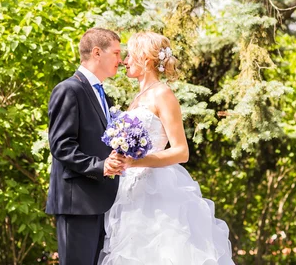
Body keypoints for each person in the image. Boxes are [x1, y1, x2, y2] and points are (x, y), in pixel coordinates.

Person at [98, 32, 234, 265]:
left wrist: (136, 162)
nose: (125, 61)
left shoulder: (163, 94)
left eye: (130, 55)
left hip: (158, 190)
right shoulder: (137, 98)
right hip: (130, 190)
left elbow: (181, 151)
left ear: (146, 60)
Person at [46, 27, 126, 265]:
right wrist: (101, 166)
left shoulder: (102, 94)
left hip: (102, 202)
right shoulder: (69, 89)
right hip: (77, 204)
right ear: (97, 53)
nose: (121, 60)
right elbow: (61, 146)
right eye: (117, 53)